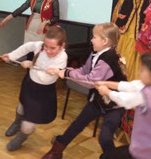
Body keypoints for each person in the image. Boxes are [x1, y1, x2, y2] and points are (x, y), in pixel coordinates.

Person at [42, 22, 126, 159]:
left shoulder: (109, 58)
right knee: (77, 125)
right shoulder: (95, 53)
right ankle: (56, 151)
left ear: (104, 41)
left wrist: (66, 74)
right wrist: (64, 71)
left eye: (94, 37)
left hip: (115, 105)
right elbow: (84, 71)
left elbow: (91, 81)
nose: (91, 39)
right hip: (98, 100)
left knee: (104, 137)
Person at [95, 50, 151, 159]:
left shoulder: (149, 96)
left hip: (147, 154)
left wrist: (106, 91)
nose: (139, 72)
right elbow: (130, 86)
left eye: (143, 70)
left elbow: (124, 99)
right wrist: (105, 83)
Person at [2, 27, 68, 151]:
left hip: (43, 92)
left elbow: (46, 79)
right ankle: (17, 123)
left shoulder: (62, 57)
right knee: (21, 107)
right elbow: (27, 47)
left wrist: (31, 65)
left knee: (28, 125)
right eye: (46, 46)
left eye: (52, 48)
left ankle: (22, 137)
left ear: (62, 46)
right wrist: (11, 56)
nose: (47, 50)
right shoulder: (40, 46)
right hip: (29, 84)